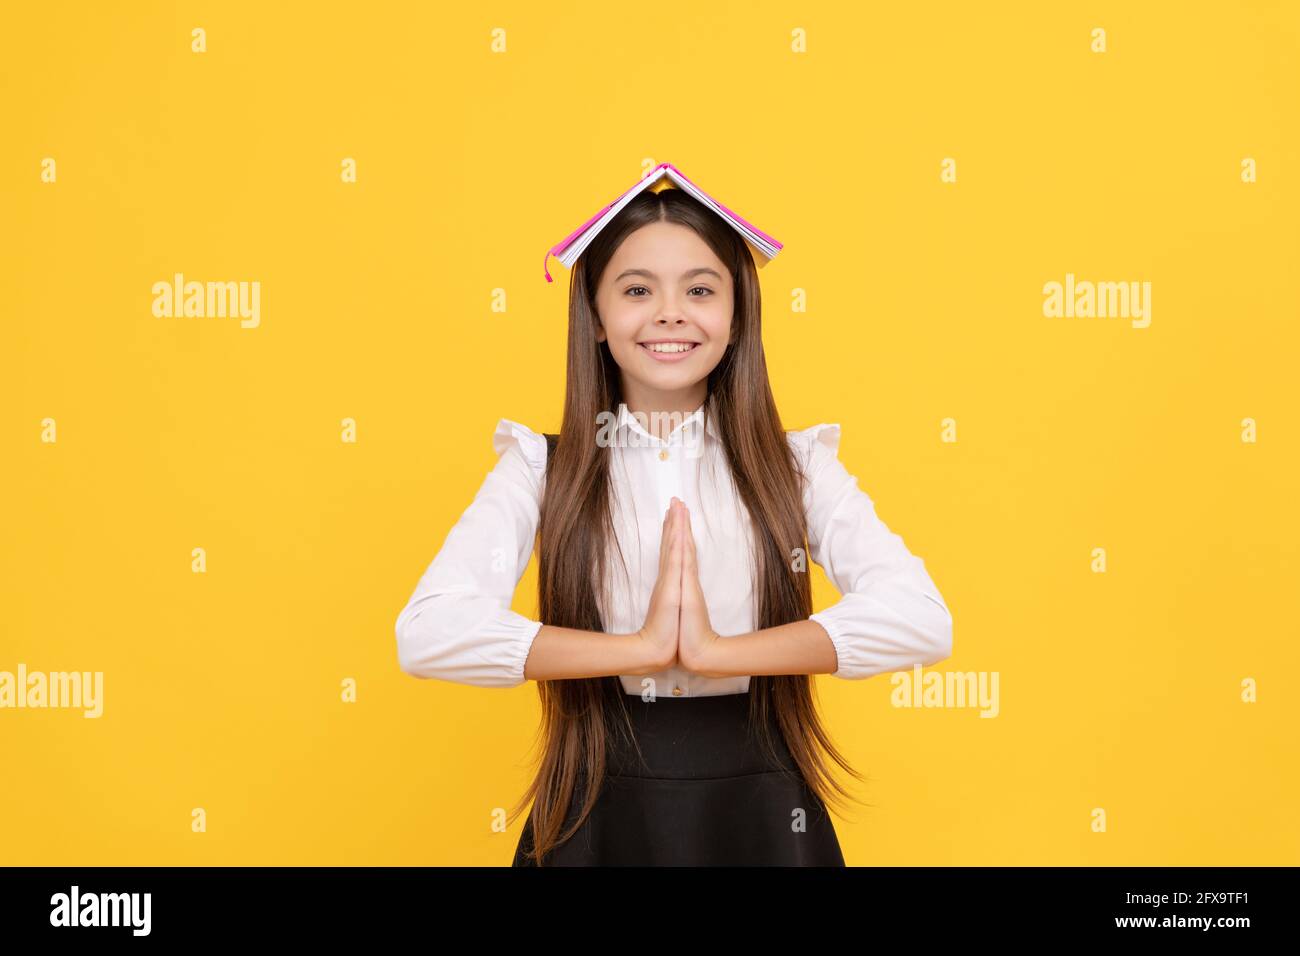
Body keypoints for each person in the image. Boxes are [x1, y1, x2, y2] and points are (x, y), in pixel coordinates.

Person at [394, 169, 953, 865]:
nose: (669, 313)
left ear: (737, 315)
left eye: (700, 290)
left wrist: (718, 652)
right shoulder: (541, 468)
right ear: (595, 317)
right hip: (594, 814)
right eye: (637, 290)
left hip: (763, 816)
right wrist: (642, 648)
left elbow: (921, 619)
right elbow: (429, 632)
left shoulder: (795, 467)